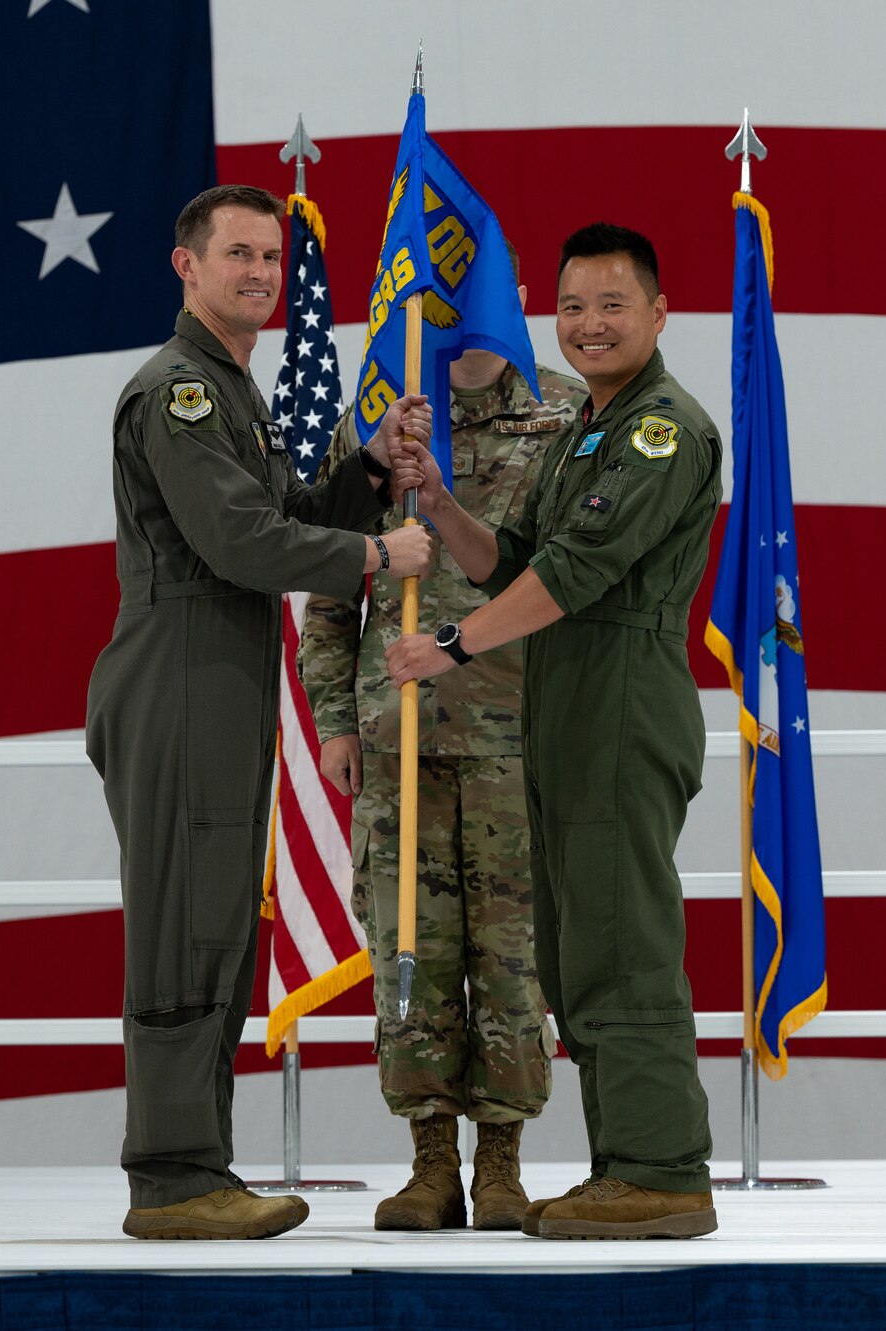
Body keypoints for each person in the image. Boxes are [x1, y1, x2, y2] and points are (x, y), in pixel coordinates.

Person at [85, 184, 432, 1241]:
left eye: (271, 260)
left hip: (218, 679)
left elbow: (280, 513)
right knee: (186, 926)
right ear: (184, 265)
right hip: (182, 674)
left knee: (218, 923)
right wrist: (376, 553)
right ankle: (175, 1174)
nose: (260, 275)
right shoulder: (180, 394)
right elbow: (238, 540)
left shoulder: (232, 388)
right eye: (237, 255)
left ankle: (197, 1165)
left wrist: (367, 471)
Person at [386, 222, 720, 1240]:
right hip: (566, 709)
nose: (587, 324)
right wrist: (440, 505)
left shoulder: (661, 428)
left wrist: (446, 644)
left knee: (622, 942)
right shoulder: (587, 429)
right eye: (571, 306)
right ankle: (622, 1164)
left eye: (611, 304)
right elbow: (512, 555)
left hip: (621, 701)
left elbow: (571, 576)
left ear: (658, 314)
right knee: (575, 953)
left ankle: (664, 1169)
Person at [297, 246, 586, 1231]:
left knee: (512, 956)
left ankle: (501, 1161)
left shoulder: (564, 416)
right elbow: (329, 587)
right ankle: (429, 1162)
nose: (460, 316)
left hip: (519, 738)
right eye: (441, 300)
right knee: (410, 952)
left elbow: (573, 579)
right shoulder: (378, 420)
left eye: (479, 298)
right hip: (399, 737)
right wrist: (336, 720)